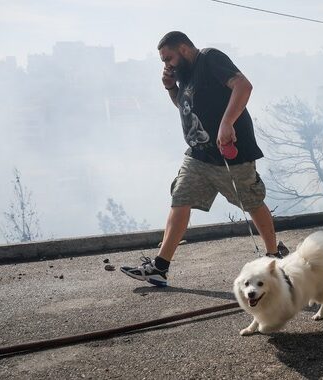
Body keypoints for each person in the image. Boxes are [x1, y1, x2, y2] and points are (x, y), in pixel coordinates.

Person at [121, 31, 287, 287]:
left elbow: (244, 86)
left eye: (169, 58)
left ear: (185, 49)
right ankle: (159, 267)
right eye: (163, 61)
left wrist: (227, 123)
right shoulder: (183, 74)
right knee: (180, 199)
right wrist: (171, 88)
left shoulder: (210, 58)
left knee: (252, 202)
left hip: (231, 154)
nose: (167, 65)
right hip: (198, 156)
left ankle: (274, 257)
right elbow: (186, 107)